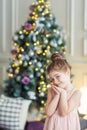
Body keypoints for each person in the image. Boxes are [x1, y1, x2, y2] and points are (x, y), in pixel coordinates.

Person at [43, 52, 81, 130]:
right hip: (52, 126)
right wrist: (57, 95)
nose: (55, 81)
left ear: (67, 72)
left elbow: (63, 112)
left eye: (57, 76)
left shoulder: (76, 93)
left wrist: (63, 93)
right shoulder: (52, 90)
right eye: (52, 79)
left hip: (67, 126)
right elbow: (49, 112)